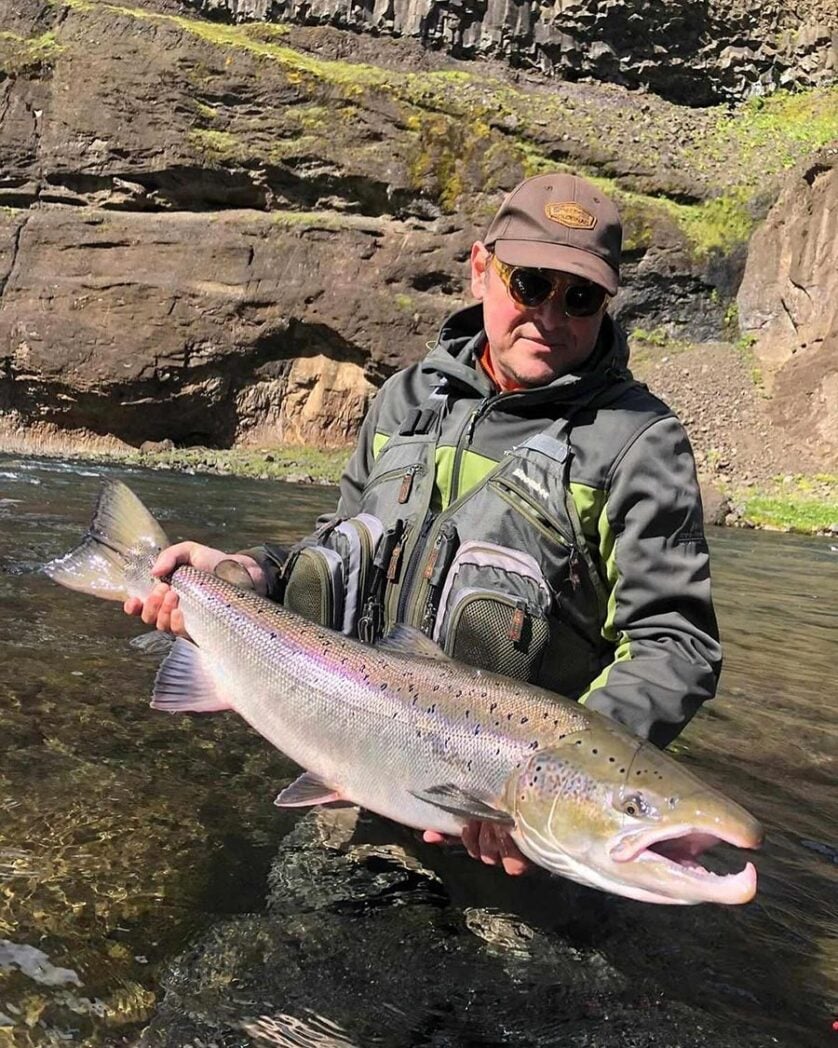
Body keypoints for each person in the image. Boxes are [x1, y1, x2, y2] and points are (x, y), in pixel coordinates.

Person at [125, 172, 721, 877]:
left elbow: (674, 642)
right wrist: (251, 571)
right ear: (481, 269)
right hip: (355, 759)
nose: (552, 316)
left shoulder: (639, 441)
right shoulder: (408, 396)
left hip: (505, 823)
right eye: (530, 283)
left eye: (582, 297)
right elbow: (341, 541)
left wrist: (553, 791)